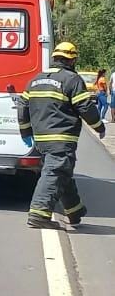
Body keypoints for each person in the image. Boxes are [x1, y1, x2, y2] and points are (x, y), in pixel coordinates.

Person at [17, 41, 105, 229]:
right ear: (72, 60)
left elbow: (22, 106)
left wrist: (25, 131)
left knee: (62, 171)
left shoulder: (36, 79)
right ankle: (39, 214)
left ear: (55, 58)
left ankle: (74, 210)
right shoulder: (71, 80)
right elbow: (85, 107)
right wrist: (99, 126)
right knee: (55, 172)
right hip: (62, 137)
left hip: (41, 139)